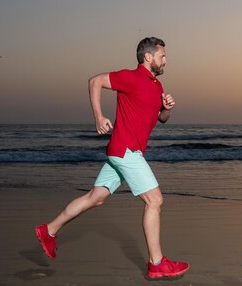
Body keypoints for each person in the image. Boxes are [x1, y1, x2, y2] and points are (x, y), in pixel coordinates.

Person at [35, 37, 189, 278]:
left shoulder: (156, 86)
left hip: (123, 152)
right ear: (148, 57)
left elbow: (162, 118)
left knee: (95, 198)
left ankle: (49, 230)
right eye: (162, 56)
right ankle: (156, 263)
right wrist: (98, 116)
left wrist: (167, 107)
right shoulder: (131, 77)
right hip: (126, 150)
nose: (165, 60)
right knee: (155, 201)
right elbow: (94, 81)